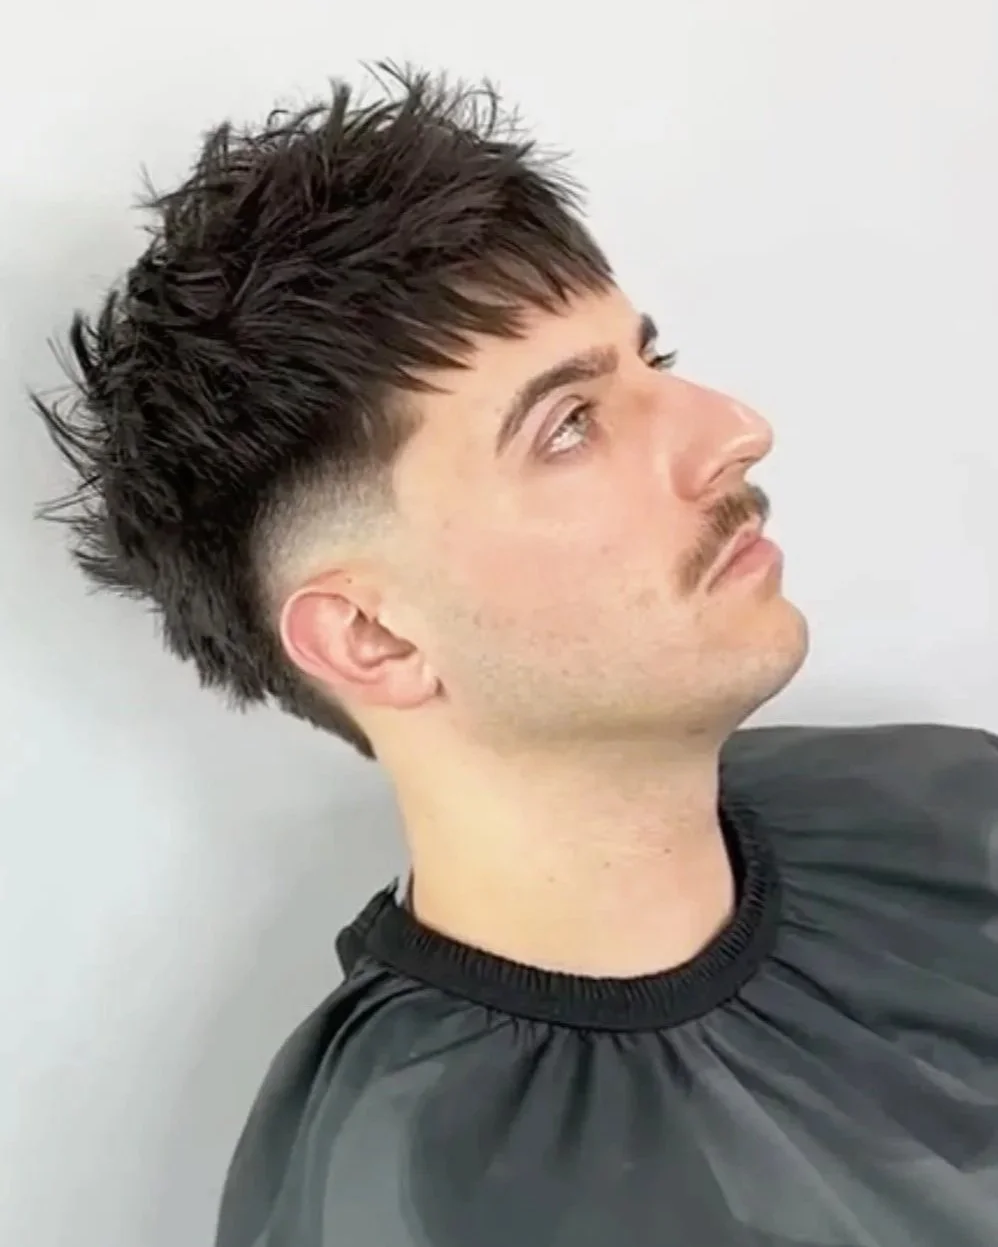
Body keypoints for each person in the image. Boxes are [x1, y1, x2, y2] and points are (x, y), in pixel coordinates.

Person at [34, 65, 998, 1247]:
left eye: (651, 359)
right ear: (374, 636)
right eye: (570, 423)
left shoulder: (947, 806)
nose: (733, 427)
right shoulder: (407, 1200)